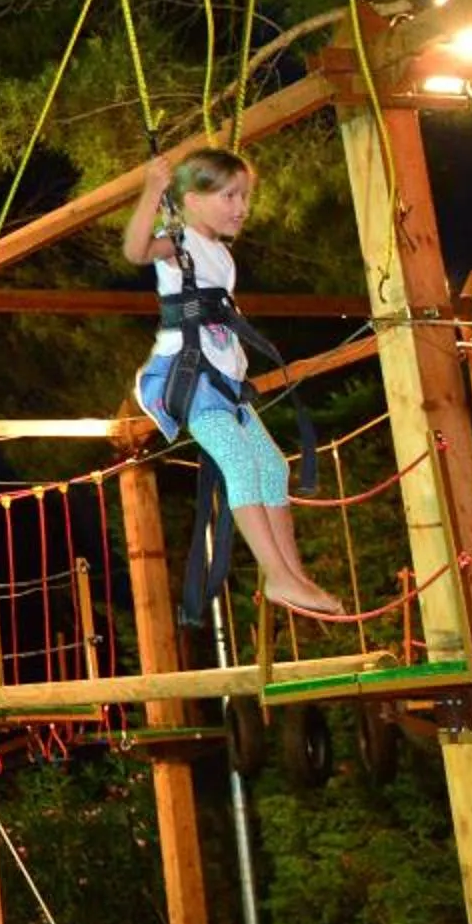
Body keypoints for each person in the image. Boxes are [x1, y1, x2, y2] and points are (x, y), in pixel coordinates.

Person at [122, 148, 342, 619]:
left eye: (245, 196)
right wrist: (152, 193)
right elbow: (135, 250)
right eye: (230, 196)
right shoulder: (176, 239)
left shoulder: (218, 253)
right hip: (188, 379)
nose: (242, 206)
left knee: (272, 468)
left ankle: (293, 575)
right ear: (193, 198)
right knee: (241, 466)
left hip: (222, 381)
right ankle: (279, 577)